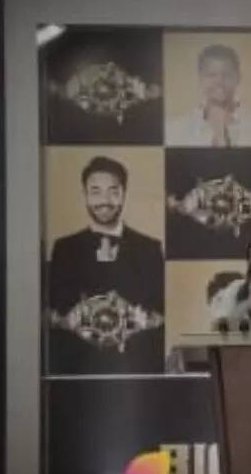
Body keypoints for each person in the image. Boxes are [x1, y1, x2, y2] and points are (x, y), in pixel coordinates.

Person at [49, 156, 164, 375]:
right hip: (78, 367)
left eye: (113, 191)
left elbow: (159, 310)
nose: (105, 200)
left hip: (136, 367)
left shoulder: (150, 248)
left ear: (124, 194)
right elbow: (57, 309)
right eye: (96, 192)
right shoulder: (64, 248)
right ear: (85, 195)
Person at [165, 43, 251, 147]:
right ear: (200, 78)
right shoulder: (174, 130)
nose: (219, 81)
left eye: (227, 74)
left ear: (238, 77)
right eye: (211, 75)